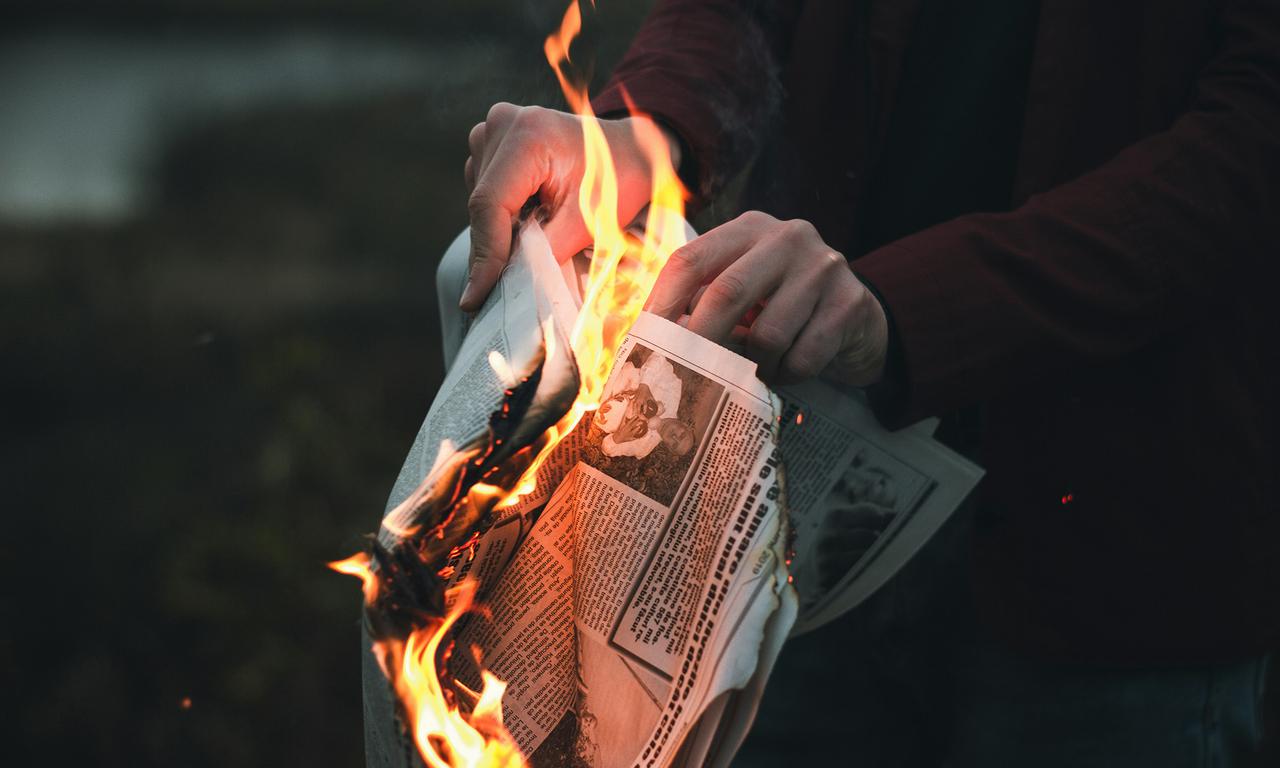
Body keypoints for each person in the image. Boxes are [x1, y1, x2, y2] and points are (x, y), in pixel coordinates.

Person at [456, 1, 1278, 765]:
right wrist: (641, 136)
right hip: (793, 523)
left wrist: (907, 307)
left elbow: (1247, 139)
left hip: (1118, 552)